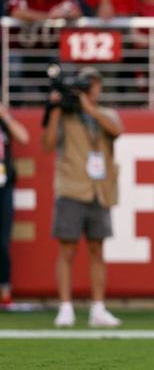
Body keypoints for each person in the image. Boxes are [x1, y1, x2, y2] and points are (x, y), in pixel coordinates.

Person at [41, 67, 123, 328]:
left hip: (99, 190)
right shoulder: (66, 116)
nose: (95, 89)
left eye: (97, 85)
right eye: (90, 85)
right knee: (67, 249)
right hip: (72, 186)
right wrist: (54, 110)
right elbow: (47, 144)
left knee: (97, 249)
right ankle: (65, 307)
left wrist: (87, 108)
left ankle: (98, 307)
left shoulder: (105, 113)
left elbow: (116, 130)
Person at [0, 105, 30, 309]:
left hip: (3, 186)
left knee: (3, 240)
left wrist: (5, 116)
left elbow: (24, 137)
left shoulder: (3, 122)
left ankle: (5, 294)